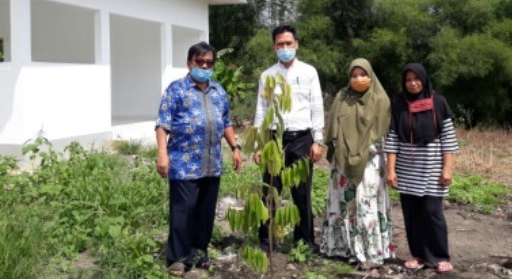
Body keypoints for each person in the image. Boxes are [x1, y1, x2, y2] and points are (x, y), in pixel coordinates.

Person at [156, 41, 243, 277]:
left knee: (205, 212)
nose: (204, 66)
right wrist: (162, 154)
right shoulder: (176, 90)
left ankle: (199, 251)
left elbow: (225, 122)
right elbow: (163, 124)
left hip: (211, 164)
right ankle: (178, 258)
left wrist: (235, 147)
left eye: (209, 62)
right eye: (200, 61)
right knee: (183, 211)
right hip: (184, 164)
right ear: (189, 63)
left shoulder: (219, 91)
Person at [253, 24, 324, 251]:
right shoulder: (267, 76)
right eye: (280, 44)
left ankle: (304, 242)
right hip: (274, 139)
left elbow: (317, 106)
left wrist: (318, 139)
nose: (285, 48)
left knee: (302, 193)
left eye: (288, 43)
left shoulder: (309, 72)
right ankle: (266, 242)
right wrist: (258, 144)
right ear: (274, 47)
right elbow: (261, 110)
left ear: (296, 45)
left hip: (302, 138)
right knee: (269, 191)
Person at [321, 58, 395, 273]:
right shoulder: (342, 97)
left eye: (363, 74)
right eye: (354, 75)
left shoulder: (380, 99)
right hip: (343, 160)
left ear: (371, 76)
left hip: (370, 159)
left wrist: (363, 150)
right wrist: (341, 147)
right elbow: (333, 126)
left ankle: (370, 253)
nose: (358, 79)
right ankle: (344, 249)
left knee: (366, 203)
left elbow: (383, 132)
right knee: (345, 203)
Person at [384, 63, 458, 274]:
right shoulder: (399, 104)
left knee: (432, 212)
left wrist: (447, 168)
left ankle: (440, 255)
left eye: (416, 79)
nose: (413, 83)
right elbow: (392, 139)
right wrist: (391, 170)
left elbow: (449, 139)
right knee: (412, 214)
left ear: (424, 80)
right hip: (407, 168)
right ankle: (418, 255)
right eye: (408, 80)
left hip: (432, 167)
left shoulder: (438, 102)